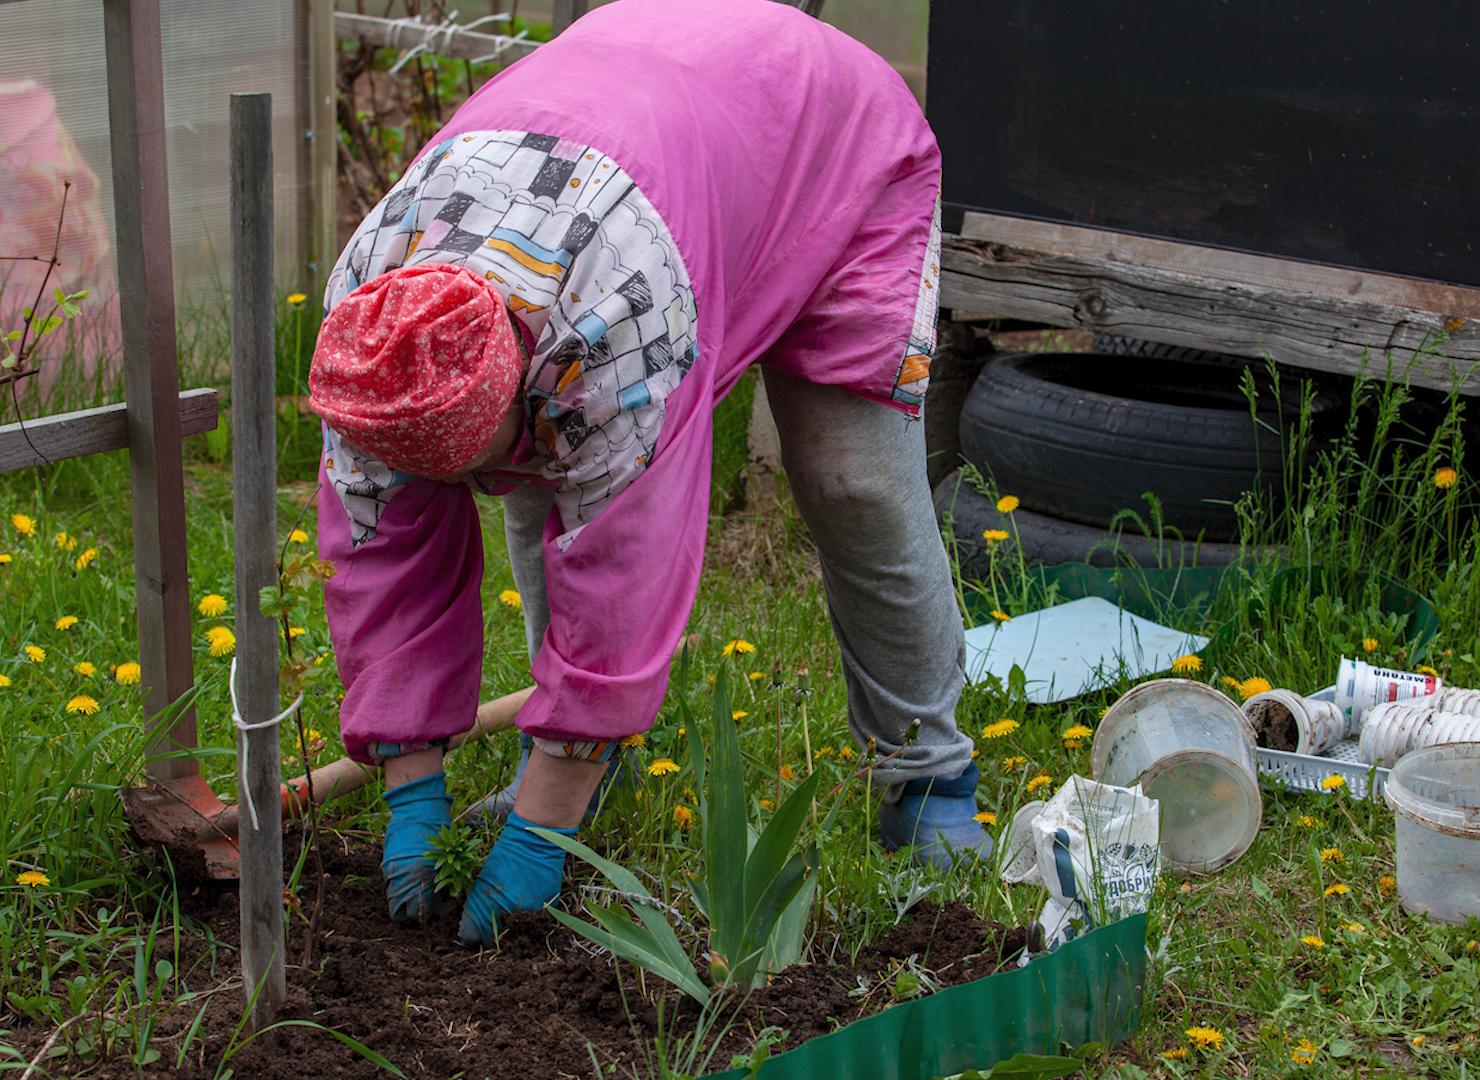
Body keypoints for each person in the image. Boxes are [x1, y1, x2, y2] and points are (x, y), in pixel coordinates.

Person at [310, 0, 989, 945]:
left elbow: (624, 565)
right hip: (641, 128)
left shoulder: (616, 330)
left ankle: (927, 775)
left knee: (852, 483)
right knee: (548, 479)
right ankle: (583, 758)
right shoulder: (369, 334)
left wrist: (536, 828)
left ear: (529, 372)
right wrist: (410, 792)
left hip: (821, 141)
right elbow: (379, 550)